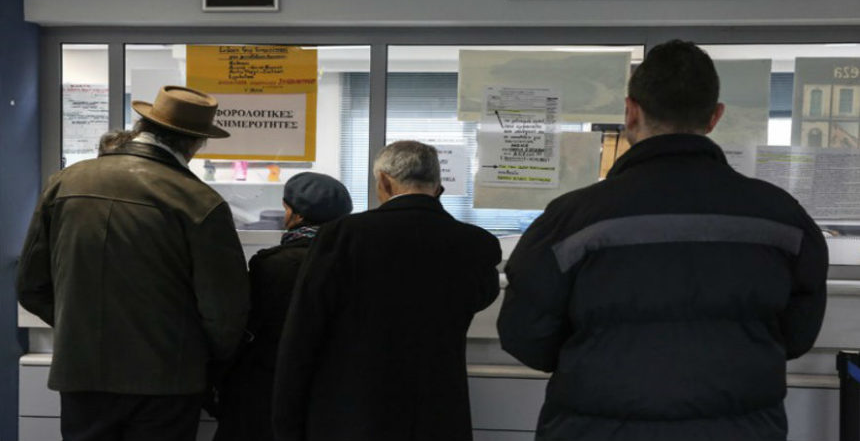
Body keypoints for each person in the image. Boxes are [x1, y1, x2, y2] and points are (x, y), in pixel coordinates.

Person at [497, 40, 829, 441]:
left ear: (631, 111)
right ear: (715, 116)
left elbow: (524, 336)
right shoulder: (782, 217)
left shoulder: (572, 218)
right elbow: (797, 335)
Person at [17, 85, 250, 441]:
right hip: (167, 381)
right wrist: (203, 359)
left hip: (82, 374)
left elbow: (30, 287)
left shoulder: (65, 183)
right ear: (194, 143)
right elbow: (224, 312)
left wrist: (80, 329)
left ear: (143, 126)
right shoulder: (200, 202)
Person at [272, 140, 502, 441]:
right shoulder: (477, 244)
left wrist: (286, 423)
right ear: (438, 185)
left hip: (352, 413)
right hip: (437, 414)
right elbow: (478, 297)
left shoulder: (342, 236)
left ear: (383, 181)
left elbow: (303, 334)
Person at [214, 172, 353, 441]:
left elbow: (245, 328)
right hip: (332, 392)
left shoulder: (271, 265)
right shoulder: (355, 265)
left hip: (268, 388)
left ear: (295, 215)